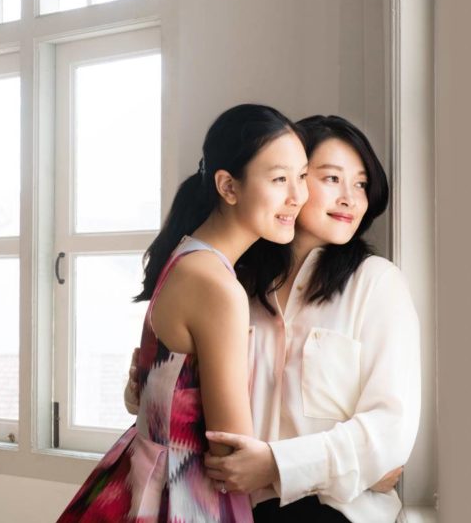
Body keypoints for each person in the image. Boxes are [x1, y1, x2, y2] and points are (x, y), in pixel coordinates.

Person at [57, 104, 309, 523]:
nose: (297, 196)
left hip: (145, 475)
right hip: (186, 497)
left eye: (302, 176)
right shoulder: (216, 285)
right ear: (228, 186)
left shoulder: (188, 258)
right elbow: (231, 450)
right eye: (280, 179)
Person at [203, 115, 422, 523]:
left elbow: (390, 431)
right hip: (231, 509)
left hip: (336, 514)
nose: (350, 199)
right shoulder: (234, 288)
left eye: (360, 184)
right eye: (332, 179)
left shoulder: (377, 284)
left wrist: (276, 464)